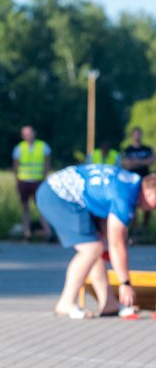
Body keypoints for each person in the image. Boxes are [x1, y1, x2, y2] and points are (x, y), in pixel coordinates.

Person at [36, 164, 156, 318]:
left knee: (97, 247)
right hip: (57, 195)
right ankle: (66, 302)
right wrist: (125, 283)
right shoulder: (125, 198)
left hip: (65, 192)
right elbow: (116, 244)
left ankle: (109, 303)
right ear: (149, 191)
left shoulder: (132, 182)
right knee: (91, 249)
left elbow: (107, 230)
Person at [13, 125, 52, 241]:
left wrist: (44, 178)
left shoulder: (43, 146)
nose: (28, 136)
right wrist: (17, 180)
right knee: (25, 207)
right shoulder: (19, 148)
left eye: (29, 133)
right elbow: (15, 166)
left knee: (41, 207)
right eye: (25, 134)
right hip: (23, 181)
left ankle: (47, 232)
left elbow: (47, 164)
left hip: (38, 181)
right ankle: (27, 232)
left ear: (34, 133)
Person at [122, 126, 154, 230]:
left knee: (149, 202)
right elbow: (127, 164)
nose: (137, 136)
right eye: (135, 134)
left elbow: (151, 161)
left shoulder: (147, 149)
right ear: (132, 136)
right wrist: (142, 162)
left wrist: (134, 162)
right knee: (133, 204)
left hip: (146, 180)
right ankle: (134, 229)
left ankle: (145, 228)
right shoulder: (128, 150)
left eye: (139, 134)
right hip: (132, 181)